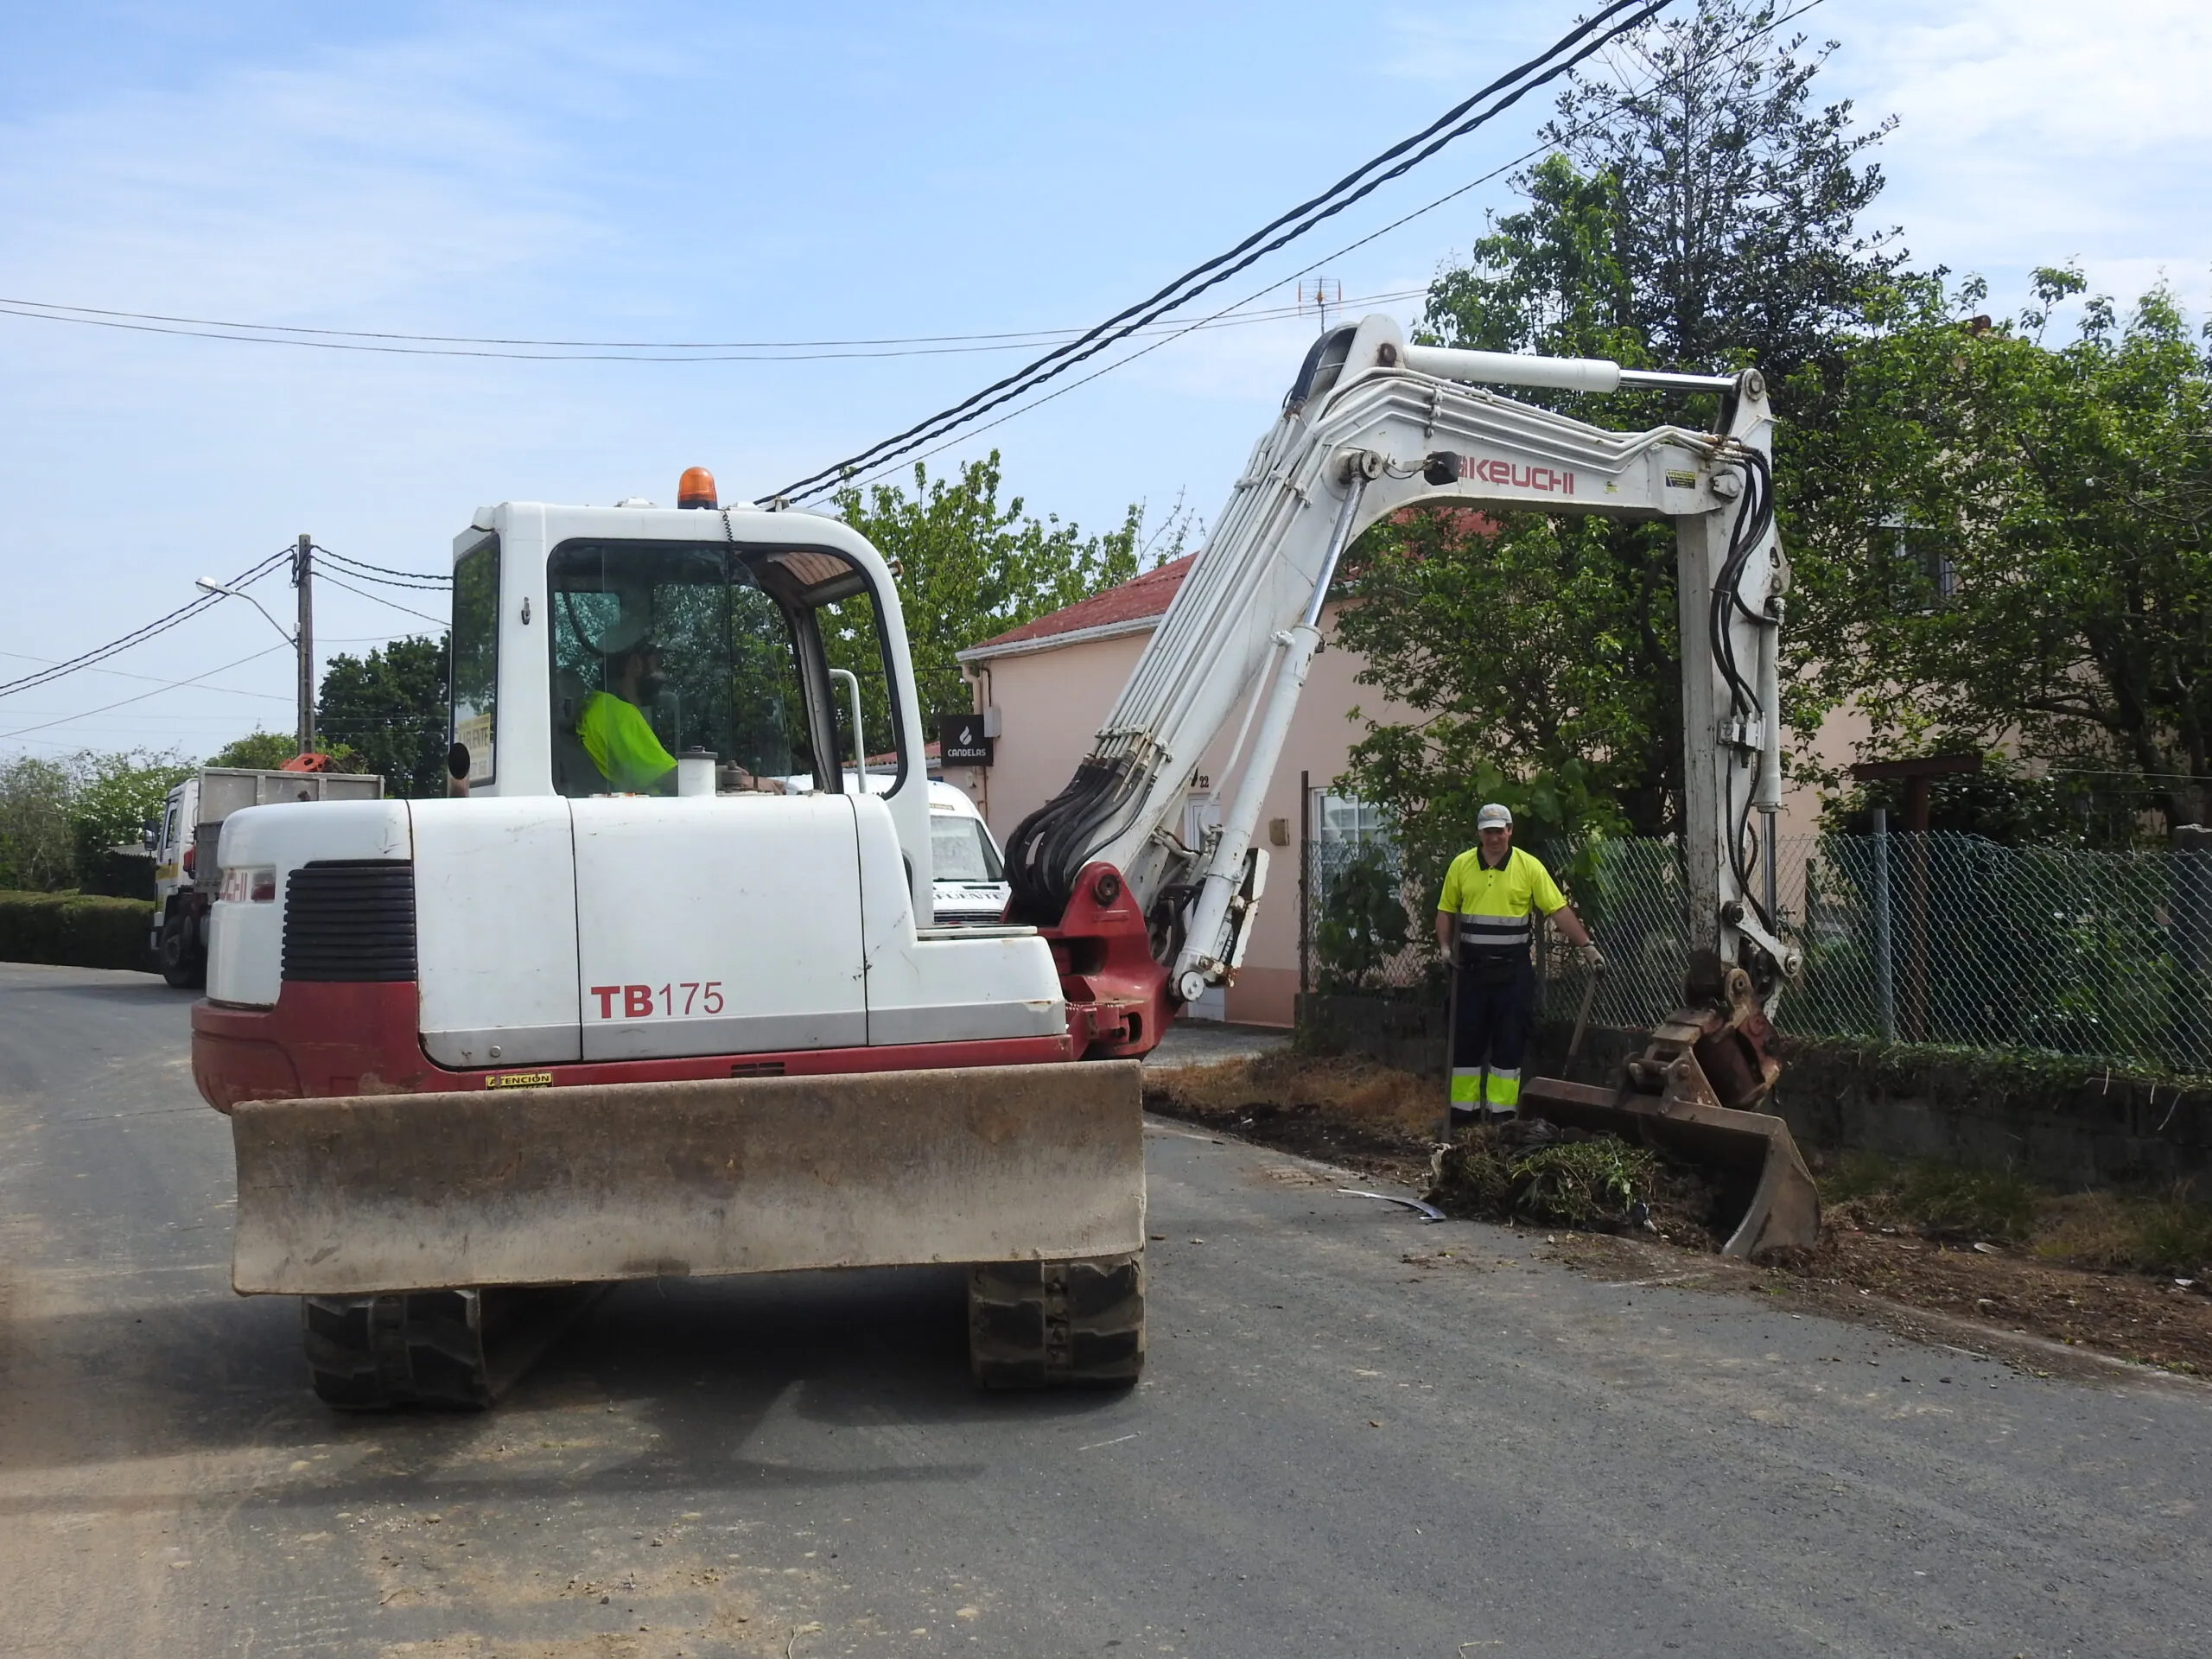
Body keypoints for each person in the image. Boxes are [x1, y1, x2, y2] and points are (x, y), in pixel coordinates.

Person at [1433, 803, 1601, 1128]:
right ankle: (1462, 1122)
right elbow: (1445, 910)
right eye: (1488, 831)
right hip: (1470, 973)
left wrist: (1587, 947)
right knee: (1466, 1048)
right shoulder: (1461, 865)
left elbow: (1558, 910)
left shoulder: (1529, 867)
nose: (1494, 837)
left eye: (1500, 830)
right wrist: (1443, 947)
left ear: (1510, 831)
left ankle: (1502, 1121)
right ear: (1479, 833)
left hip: (1512, 974)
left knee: (1508, 1048)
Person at [577, 639, 680, 793]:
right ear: (636, 663)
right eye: (658, 664)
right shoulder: (620, 715)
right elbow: (673, 780)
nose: (664, 675)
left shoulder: (596, 703)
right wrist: (722, 776)